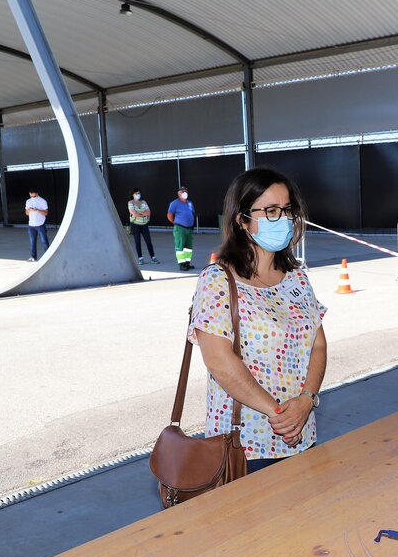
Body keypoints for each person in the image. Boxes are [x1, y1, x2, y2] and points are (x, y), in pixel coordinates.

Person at [188, 168, 326, 473]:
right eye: (272, 211)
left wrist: (306, 401)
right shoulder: (218, 281)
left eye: (287, 210)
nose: (284, 219)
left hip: (302, 434)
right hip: (247, 446)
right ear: (242, 220)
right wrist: (280, 415)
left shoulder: (297, 279)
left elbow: (317, 345)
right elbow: (219, 361)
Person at [168, 186, 196, 271]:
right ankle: (181, 264)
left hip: (189, 228)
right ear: (178, 194)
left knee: (188, 247)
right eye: (182, 191)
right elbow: (169, 215)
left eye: (185, 191)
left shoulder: (190, 203)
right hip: (180, 228)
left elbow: (192, 213)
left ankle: (187, 263)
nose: (184, 193)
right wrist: (175, 223)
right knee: (180, 246)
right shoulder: (174, 203)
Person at [127, 188, 158, 264]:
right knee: (137, 242)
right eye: (136, 193)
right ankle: (140, 258)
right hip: (135, 225)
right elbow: (134, 213)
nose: (138, 194)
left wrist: (139, 213)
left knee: (148, 241)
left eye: (139, 193)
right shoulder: (130, 202)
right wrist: (143, 213)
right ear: (132, 194)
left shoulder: (144, 202)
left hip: (144, 224)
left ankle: (153, 257)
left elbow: (149, 212)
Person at [25, 190, 50, 262]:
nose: (33, 197)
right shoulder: (28, 201)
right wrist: (29, 210)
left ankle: (47, 256)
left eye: (34, 196)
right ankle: (33, 257)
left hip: (40, 224)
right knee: (32, 241)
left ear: (37, 194)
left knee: (44, 240)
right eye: (31, 196)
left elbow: (46, 213)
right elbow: (26, 213)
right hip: (31, 225)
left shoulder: (42, 201)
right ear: (29, 194)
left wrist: (37, 210)